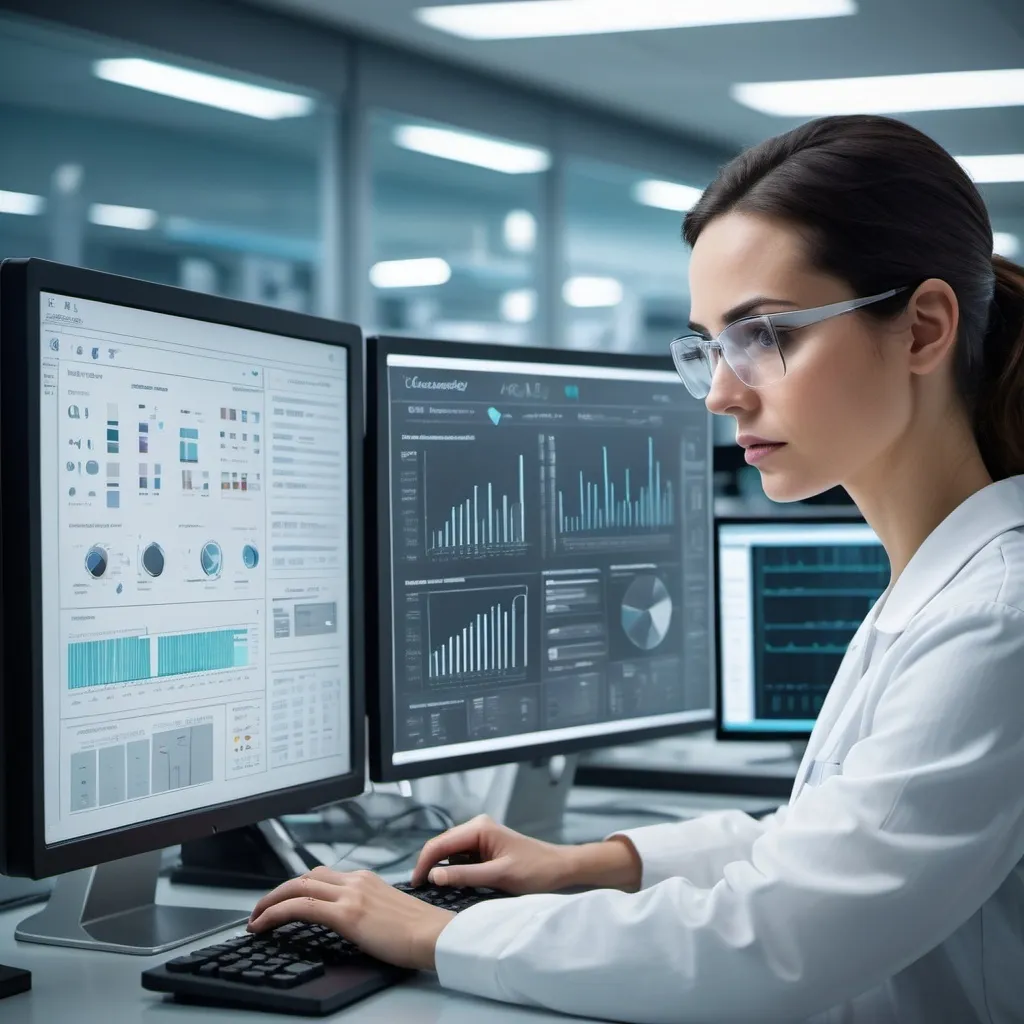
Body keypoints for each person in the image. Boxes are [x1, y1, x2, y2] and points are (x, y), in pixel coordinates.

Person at [247, 114, 1024, 1023]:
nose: (725, 392)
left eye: (764, 334)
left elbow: (780, 939)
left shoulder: (995, 616)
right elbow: (835, 843)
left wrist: (436, 935)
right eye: (708, 346)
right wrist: (594, 863)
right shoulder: (944, 578)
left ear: (923, 329)